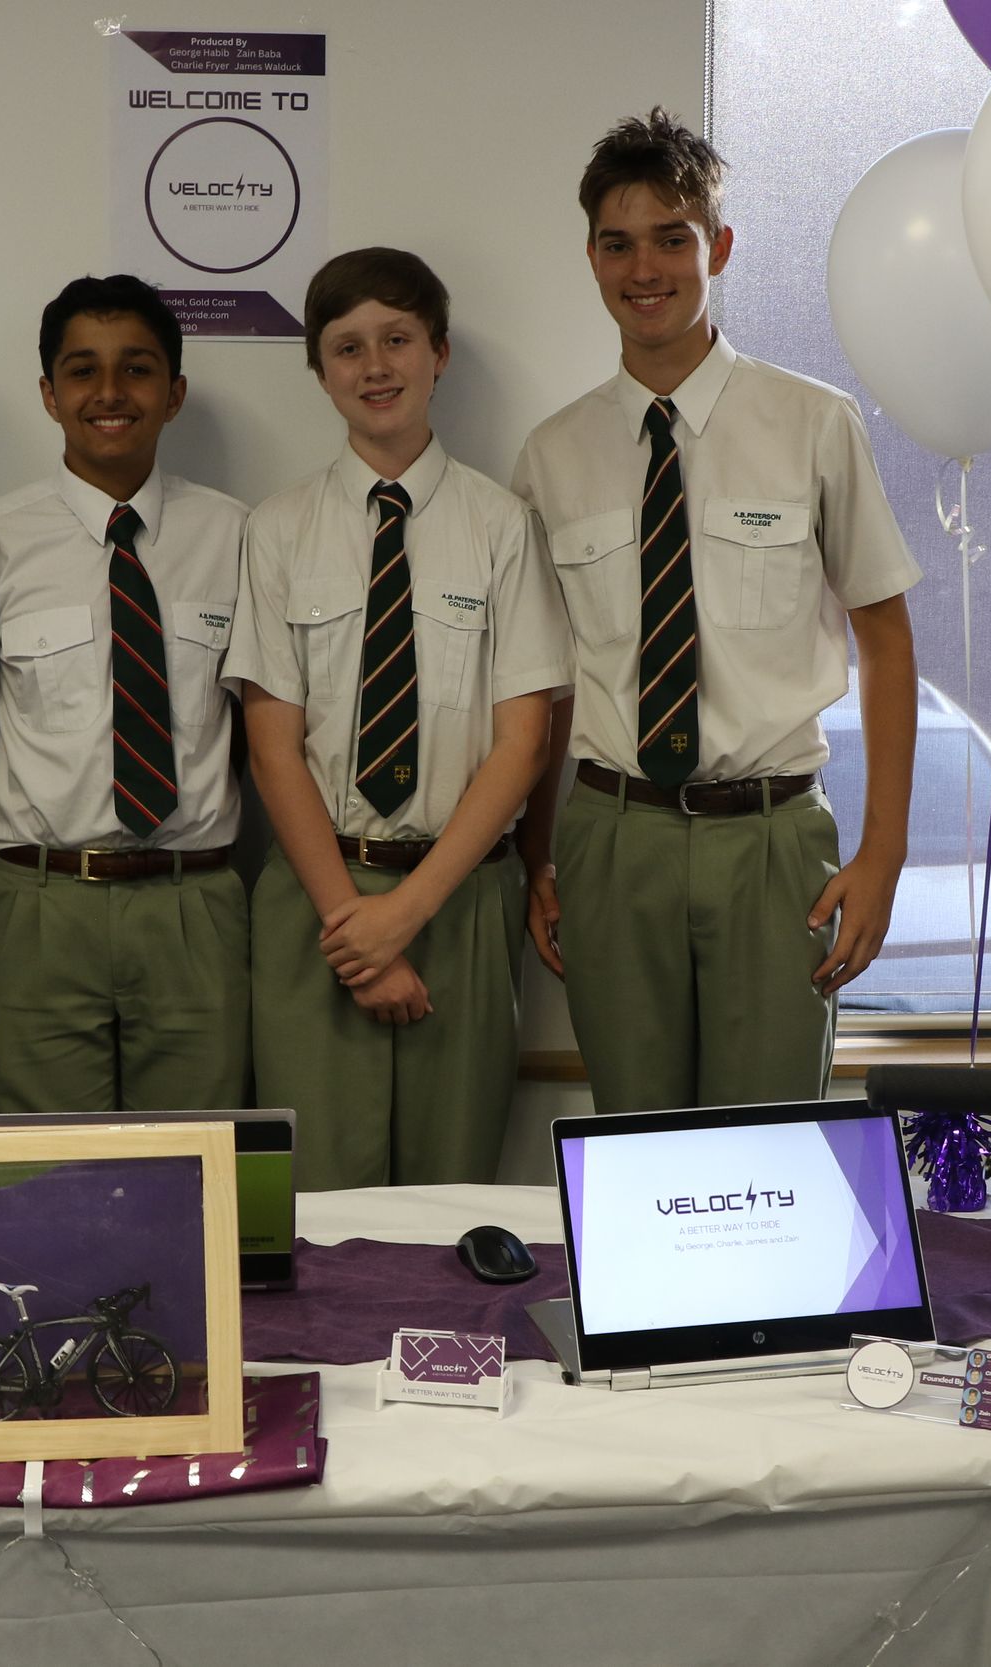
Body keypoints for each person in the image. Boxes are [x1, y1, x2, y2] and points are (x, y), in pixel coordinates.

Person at [511, 109, 922, 1113]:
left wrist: (883, 852)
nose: (644, 268)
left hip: (770, 840)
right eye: (617, 243)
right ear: (591, 257)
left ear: (719, 248)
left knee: (769, 1140)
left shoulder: (814, 423)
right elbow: (544, 682)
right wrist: (538, 854)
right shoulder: (551, 456)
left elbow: (885, 641)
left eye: (672, 238)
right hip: (613, 838)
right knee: (634, 1137)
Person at [223, 248, 571, 1189]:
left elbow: (524, 743)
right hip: (319, 897)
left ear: (439, 353)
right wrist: (359, 933)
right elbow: (272, 748)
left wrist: (404, 918)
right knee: (318, 1202)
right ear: (318, 369)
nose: (375, 366)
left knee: (450, 1193)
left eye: (398, 340)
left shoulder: (502, 526)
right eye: (347, 347)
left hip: (459, 897)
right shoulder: (278, 528)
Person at [0, 275, 249, 1113]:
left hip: (193, 903)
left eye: (137, 368)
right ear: (49, 394)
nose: (110, 392)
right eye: (83, 370)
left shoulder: (238, 534)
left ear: (175, 393)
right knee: (47, 1172)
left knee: (198, 1163)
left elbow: (257, 726)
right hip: (40, 905)